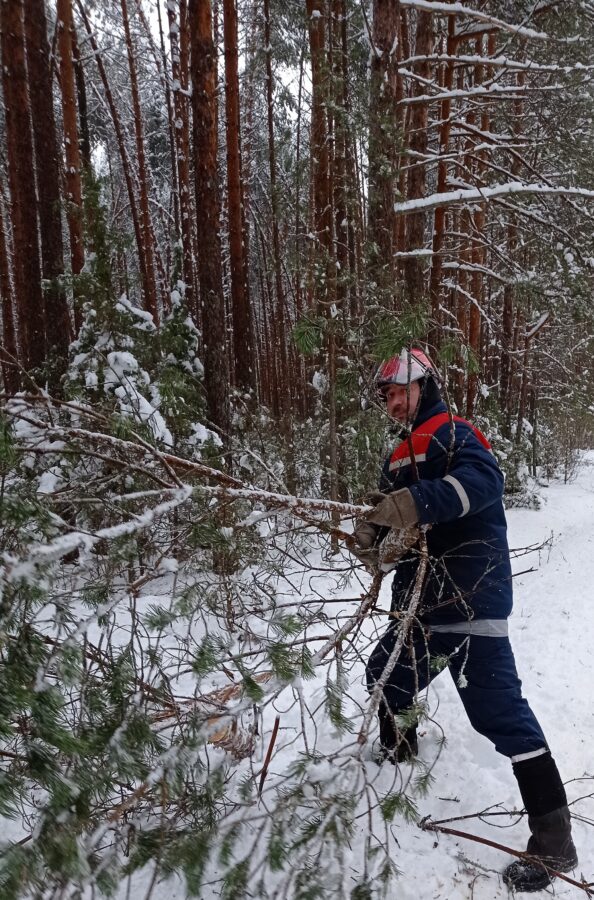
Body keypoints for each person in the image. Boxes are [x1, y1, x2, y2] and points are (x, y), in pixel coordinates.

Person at [354, 347, 577, 893]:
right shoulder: (398, 455)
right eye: (387, 397)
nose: (394, 403)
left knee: (499, 716)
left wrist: (412, 503)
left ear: (424, 384)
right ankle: (400, 755)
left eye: (400, 392)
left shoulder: (456, 434)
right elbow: (401, 527)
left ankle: (555, 843)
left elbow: (481, 487)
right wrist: (374, 536)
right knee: (386, 672)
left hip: (471, 598)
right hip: (420, 606)